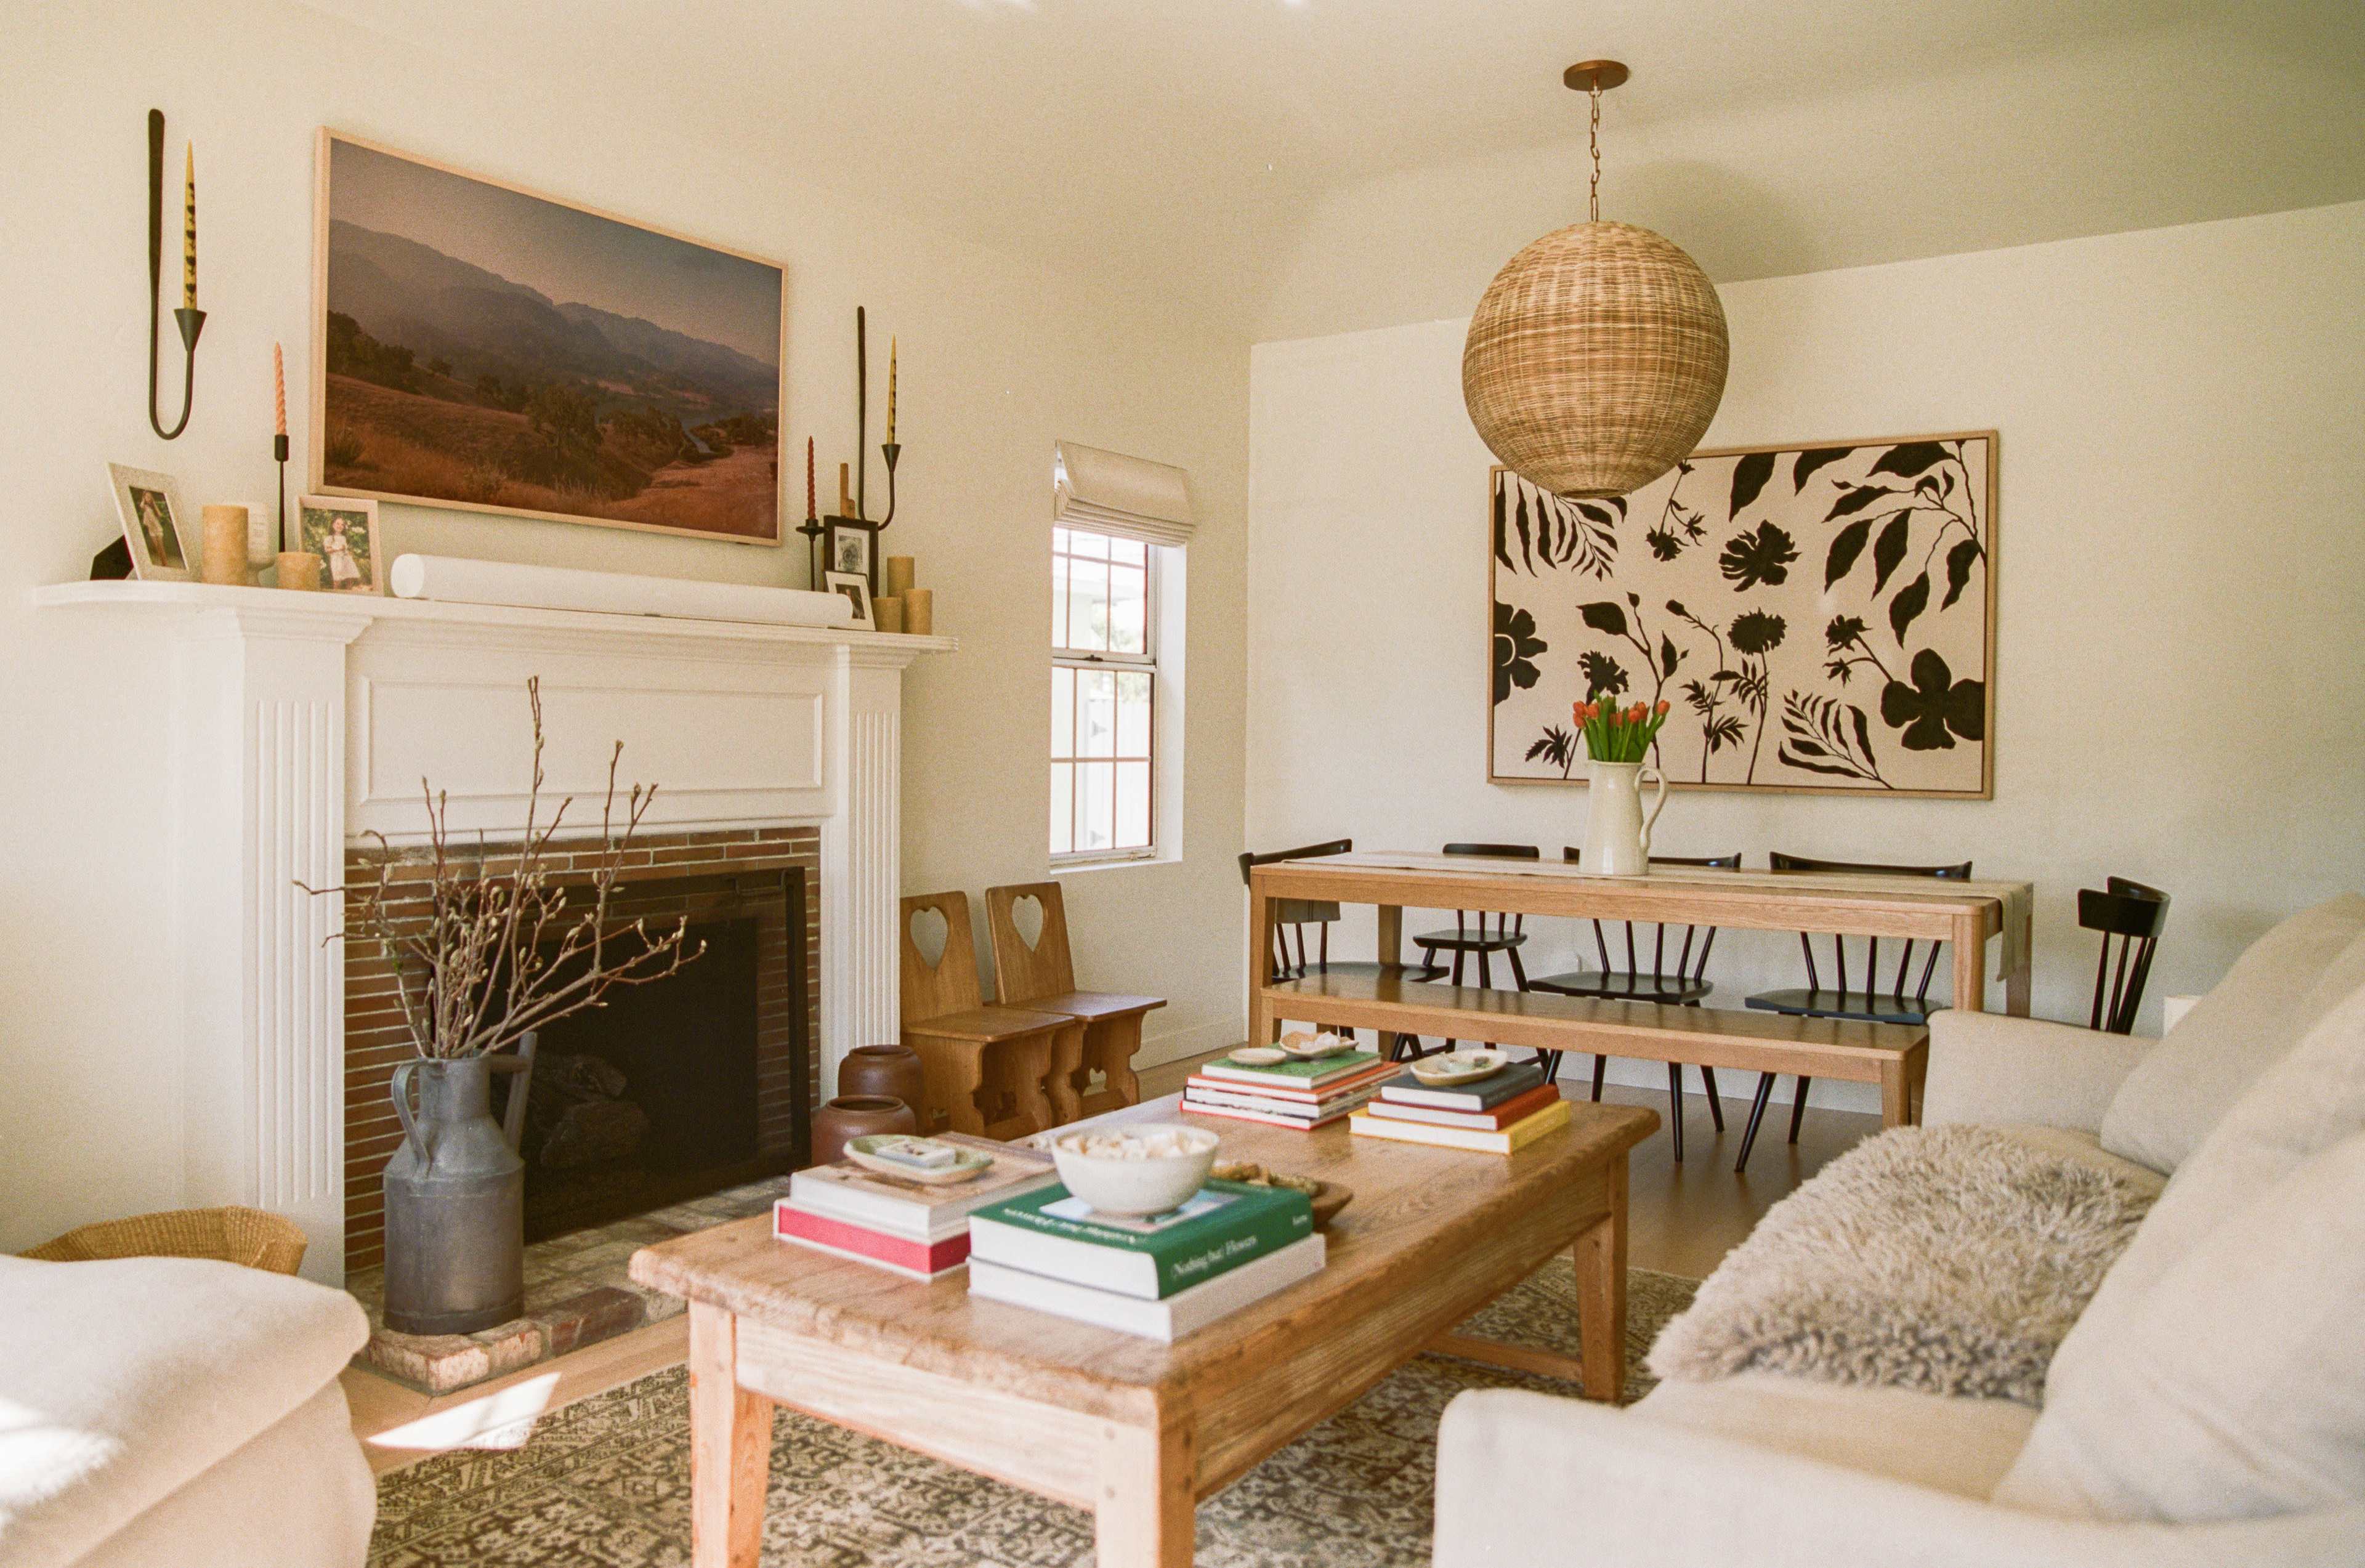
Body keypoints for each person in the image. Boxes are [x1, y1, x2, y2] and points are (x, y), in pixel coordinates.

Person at [321, 515, 365, 591]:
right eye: (338, 524)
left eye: (342, 525)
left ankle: (349, 595)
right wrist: (338, 549)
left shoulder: (344, 538)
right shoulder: (330, 538)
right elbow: (327, 550)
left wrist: (347, 552)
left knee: (349, 579)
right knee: (337, 581)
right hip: (337, 560)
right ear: (333, 525)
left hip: (346, 560)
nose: (340, 526)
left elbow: (345, 549)